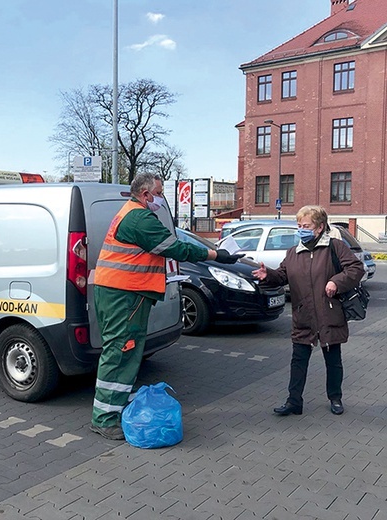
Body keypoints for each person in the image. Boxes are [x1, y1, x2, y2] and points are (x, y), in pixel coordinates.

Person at [90, 172, 244, 440]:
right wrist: (216, 255)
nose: (161, 198)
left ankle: (111, 410)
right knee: (120, 353)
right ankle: (104, 418)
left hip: (121, 292)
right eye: (159, 193)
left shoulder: (130, 213)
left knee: (122, 352)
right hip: (125, 294)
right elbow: (175, 248)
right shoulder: (139, 217)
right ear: (146, 194)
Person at [252, 205, 365, 417]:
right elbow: (282, 276)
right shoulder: (294, 253)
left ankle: (335, 398)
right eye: (299, 225)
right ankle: (294, 402)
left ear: (320, 227)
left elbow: (356, 269)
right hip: (303, 315)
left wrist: (336, 282)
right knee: (298, 360)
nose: (301, 229)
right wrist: (267, 275)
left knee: (333, 361)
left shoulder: (335, 247)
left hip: (329, 313)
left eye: (306, 225)